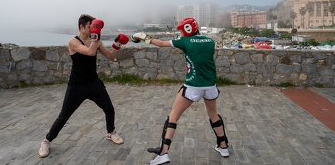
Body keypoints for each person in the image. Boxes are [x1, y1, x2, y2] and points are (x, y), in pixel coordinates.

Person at [132, 17, 229, 165]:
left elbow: (160, 43)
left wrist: (144, 37)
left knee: (173, 116)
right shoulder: (210, 41)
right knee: (214, 115)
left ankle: (163, 153)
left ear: (186, 30)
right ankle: (223, 147)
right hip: (210, 86)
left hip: (193, 85)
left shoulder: (184, 41)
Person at [38, 14, 129, 158]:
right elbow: (90, 52)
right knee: (64, 116)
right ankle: (46, 140)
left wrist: (117, 44)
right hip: (77, 86)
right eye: (90, 27)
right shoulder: (73, 42)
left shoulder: (96, 41)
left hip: (93, 83)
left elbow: (111, 57)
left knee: (109, 108)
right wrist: (96, 37)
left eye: (94, 27)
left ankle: (110, 132)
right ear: (82, 27)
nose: (93, 30)